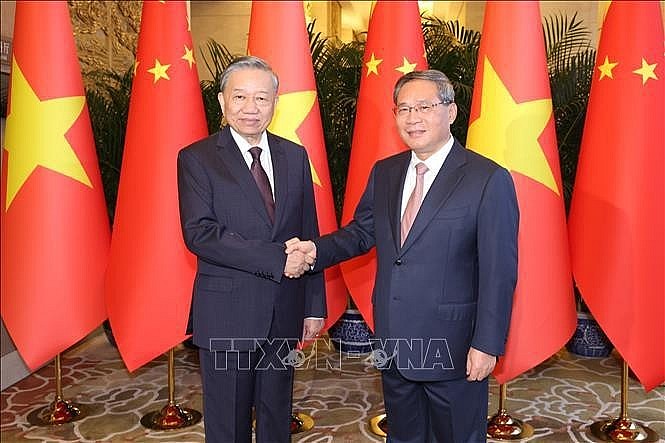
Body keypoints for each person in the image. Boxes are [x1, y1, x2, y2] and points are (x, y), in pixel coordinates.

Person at [286, 70, 519, 442]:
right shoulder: (387, 172)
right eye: (404, 109)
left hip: (454, 348)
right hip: (395, 342)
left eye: (424, 107)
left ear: (451, 112)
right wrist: (316, 250)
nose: (412, 118)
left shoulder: (487, 178)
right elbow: (361, 233)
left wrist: (486, 344)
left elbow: (499, 272)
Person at [177, 55, 326, 443]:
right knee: (228, 422)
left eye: (262, 98)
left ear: (276, 104)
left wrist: (313, 305)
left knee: (278, 414)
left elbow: (308, 231)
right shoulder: (197, 158)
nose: (251, 108)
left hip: (285, 309)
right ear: (222, 102)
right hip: (228, 313)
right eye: (240, 97)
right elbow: (201, 234)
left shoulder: (294, 156)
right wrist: (278, 258)